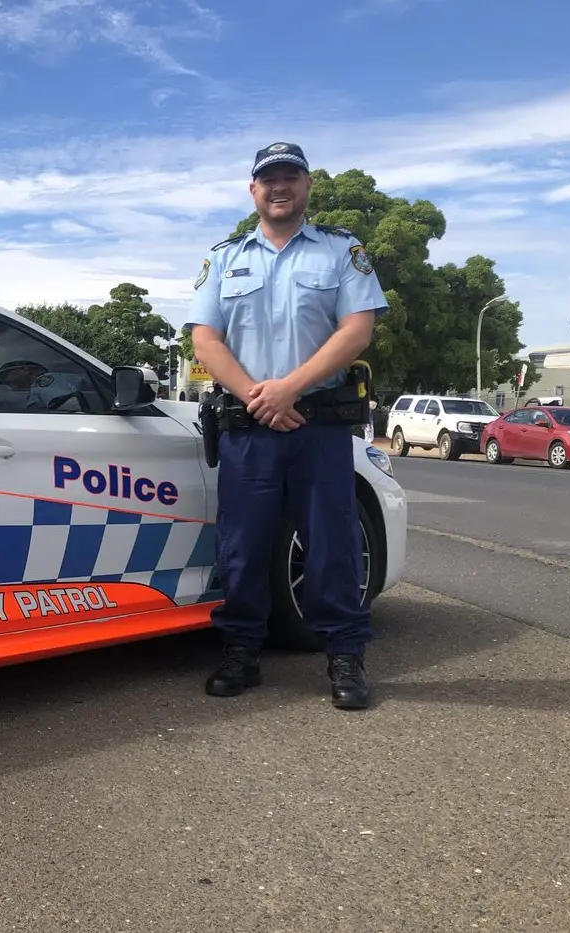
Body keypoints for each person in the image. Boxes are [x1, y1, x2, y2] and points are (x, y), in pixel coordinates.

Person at [183, 142, 389, 711]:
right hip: (249, 427)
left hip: (317, 424)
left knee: (333, 545)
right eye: (268, 178)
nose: (279, 187)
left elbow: (357, 329)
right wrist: (259, 396)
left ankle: (346, 655)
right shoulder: (224, 257)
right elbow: (205, 338)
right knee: (242, 546)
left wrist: (289, 389)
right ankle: (241, 651)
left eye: (290, 177)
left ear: (307, 186)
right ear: (253, 190)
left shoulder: (341, 251)